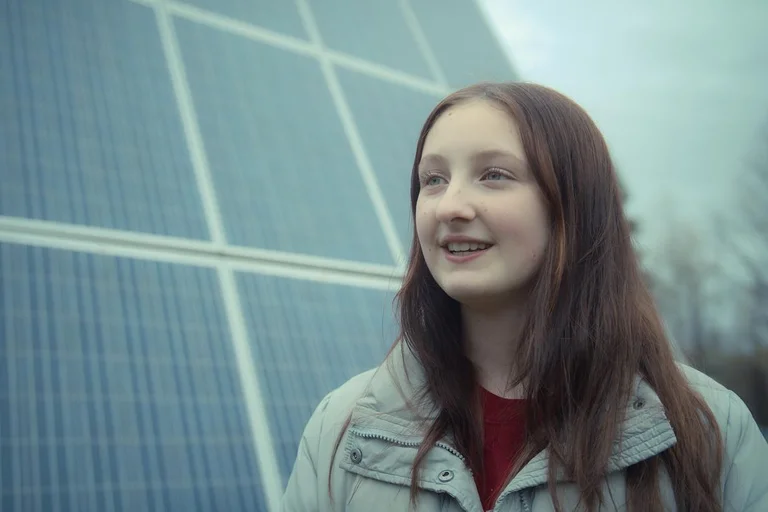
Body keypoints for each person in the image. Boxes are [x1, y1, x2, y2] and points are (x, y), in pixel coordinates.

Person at [281, 82, 768, 511]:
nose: (450, 205)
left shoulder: (713, 432)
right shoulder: (341, 429)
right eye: (433, 180)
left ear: (572, 208)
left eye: (494, 174)